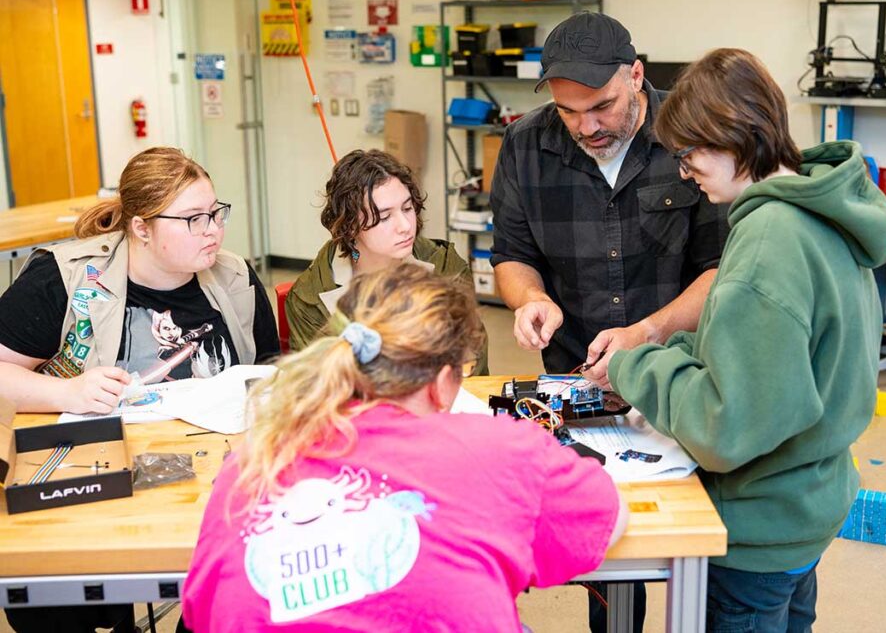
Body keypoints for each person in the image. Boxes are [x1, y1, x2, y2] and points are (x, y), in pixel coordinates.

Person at [606, 48, 886, 632]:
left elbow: (726, 428)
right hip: (806, 502)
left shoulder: (767, 242)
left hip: (758, 527)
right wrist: (668, 352)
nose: (684, 173)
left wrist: (632, 368)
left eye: (688, 156)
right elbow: (766, 357)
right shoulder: (821, 208)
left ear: (734, 138)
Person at [182, 264, 627, 632]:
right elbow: (608, 517)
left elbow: (201, 613)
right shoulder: (503, 448)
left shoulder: (252, 460)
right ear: (441, 382)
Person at [489, 11, 729, 631]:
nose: (585, 127)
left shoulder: (692, 132)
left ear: (638, 77)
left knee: (692, 542)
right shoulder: (525, 145)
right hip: (577, 373)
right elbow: (512, 257)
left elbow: (721, 270)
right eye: (569, 113)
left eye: (601, 107)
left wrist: (646, 333)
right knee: (604, 547)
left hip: (681, 372)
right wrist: (530, 300)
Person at [0, 146, 279, 633]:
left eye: (216, 213)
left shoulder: (233, 277)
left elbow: (270, 374)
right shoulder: (64, 279)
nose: (213, 230)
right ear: (141, 228)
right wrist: (68, 393)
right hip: (96, 483)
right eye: (192, 219)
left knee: (242, 586)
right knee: (55, 601)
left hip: (208, 483)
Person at [285, 148, 487, 374]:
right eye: (384, 217)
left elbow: (471, 363)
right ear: (350, 226)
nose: (406, 226)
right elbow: (316, 386)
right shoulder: (309, 298)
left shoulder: (446, 268)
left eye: (407, 208)